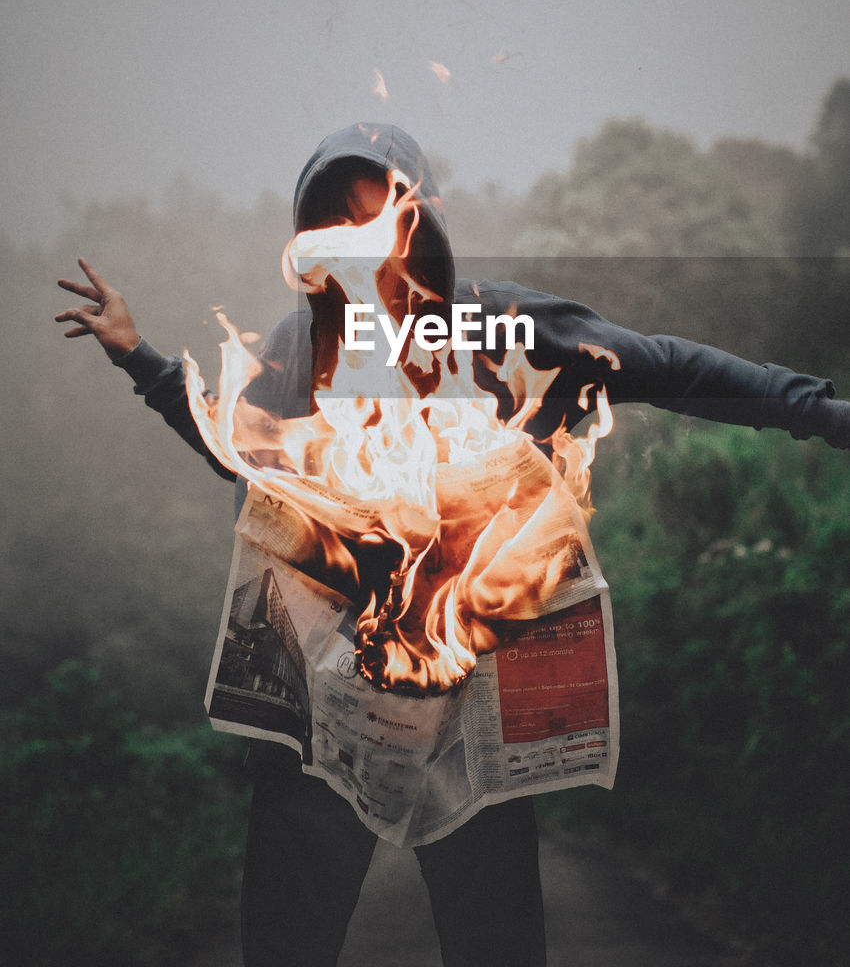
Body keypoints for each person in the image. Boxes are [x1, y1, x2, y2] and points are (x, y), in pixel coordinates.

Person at [56, 123, 850, 967]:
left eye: (383, 220)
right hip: (330, 711)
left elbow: (670, 367)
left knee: (496, 943)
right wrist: (140, 360)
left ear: (421, 223)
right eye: (338, 227)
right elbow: (243, 455)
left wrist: (825, 412)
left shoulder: (497, 327)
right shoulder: (305, 347)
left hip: (472, 709)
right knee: (287, 941)